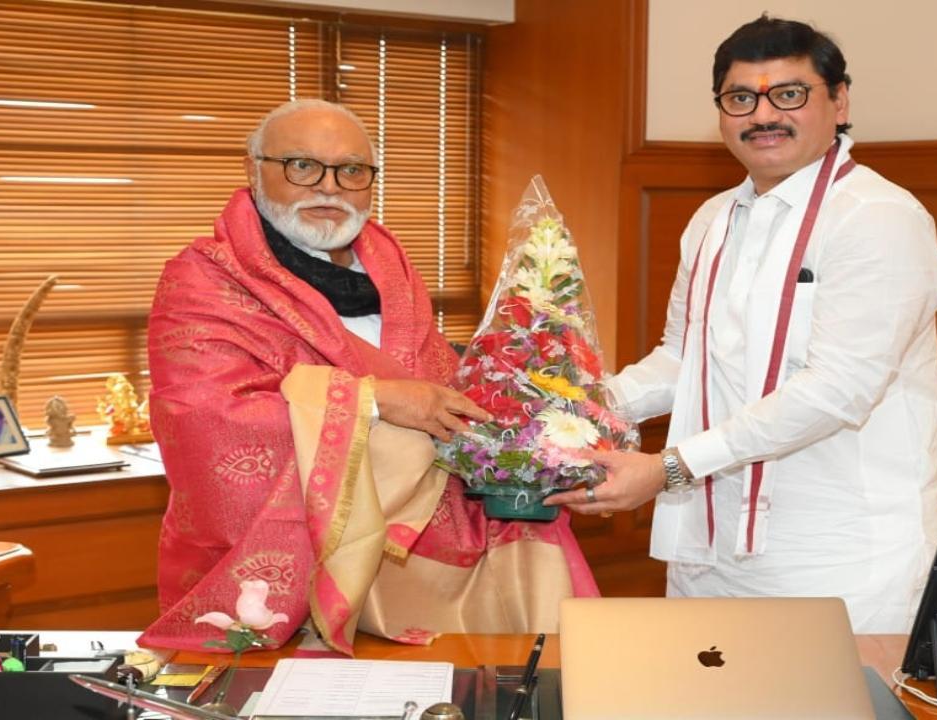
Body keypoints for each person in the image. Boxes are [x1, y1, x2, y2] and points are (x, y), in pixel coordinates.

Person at [547, 14, 937, 632]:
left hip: (835, 551)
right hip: (711, 540)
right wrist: (574, 405)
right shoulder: (713, 217)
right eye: (741, 98)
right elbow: (684, 359)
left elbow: (837, 389)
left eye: (789, 94)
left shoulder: (877, 216)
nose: (763, 115)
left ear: (840, 101)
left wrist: (669, 468)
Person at [140, 99, 598, 654]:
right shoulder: (204, 282)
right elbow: (205, 424)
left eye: (352, 171)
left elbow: (438, 386)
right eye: (302, 166)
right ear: (252, 168)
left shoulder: (389, 264)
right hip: (292, 583)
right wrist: (376, 402)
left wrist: (526, 422)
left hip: (427, 558)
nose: (329, 188)